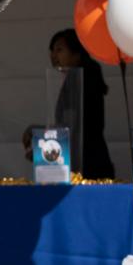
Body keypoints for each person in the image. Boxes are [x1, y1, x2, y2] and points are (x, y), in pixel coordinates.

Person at [49, 29, 114, 179]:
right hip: (83, 161)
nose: (53, 56)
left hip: (88, 164)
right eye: (52, 50)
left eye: (59, 50)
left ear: (76, 53)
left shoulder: (83, 79)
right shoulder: (73, 79)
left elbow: (72, 124)